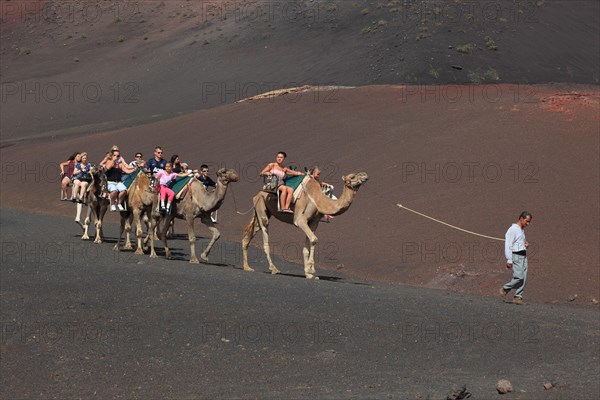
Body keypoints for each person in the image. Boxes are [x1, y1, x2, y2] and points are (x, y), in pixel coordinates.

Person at [499, 211, 533, 305]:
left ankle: (518, 297)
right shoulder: (512, 229)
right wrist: (509, 259)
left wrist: (525, 245)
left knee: (524, 278)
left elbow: (518, 243)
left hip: (523, 255)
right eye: (527, 221)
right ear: (521, 219)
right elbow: (508, 244)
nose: (528, 223)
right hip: (516, 256)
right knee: (519, 277)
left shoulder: (521, 229)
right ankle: (505, 289)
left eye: (529, 222)